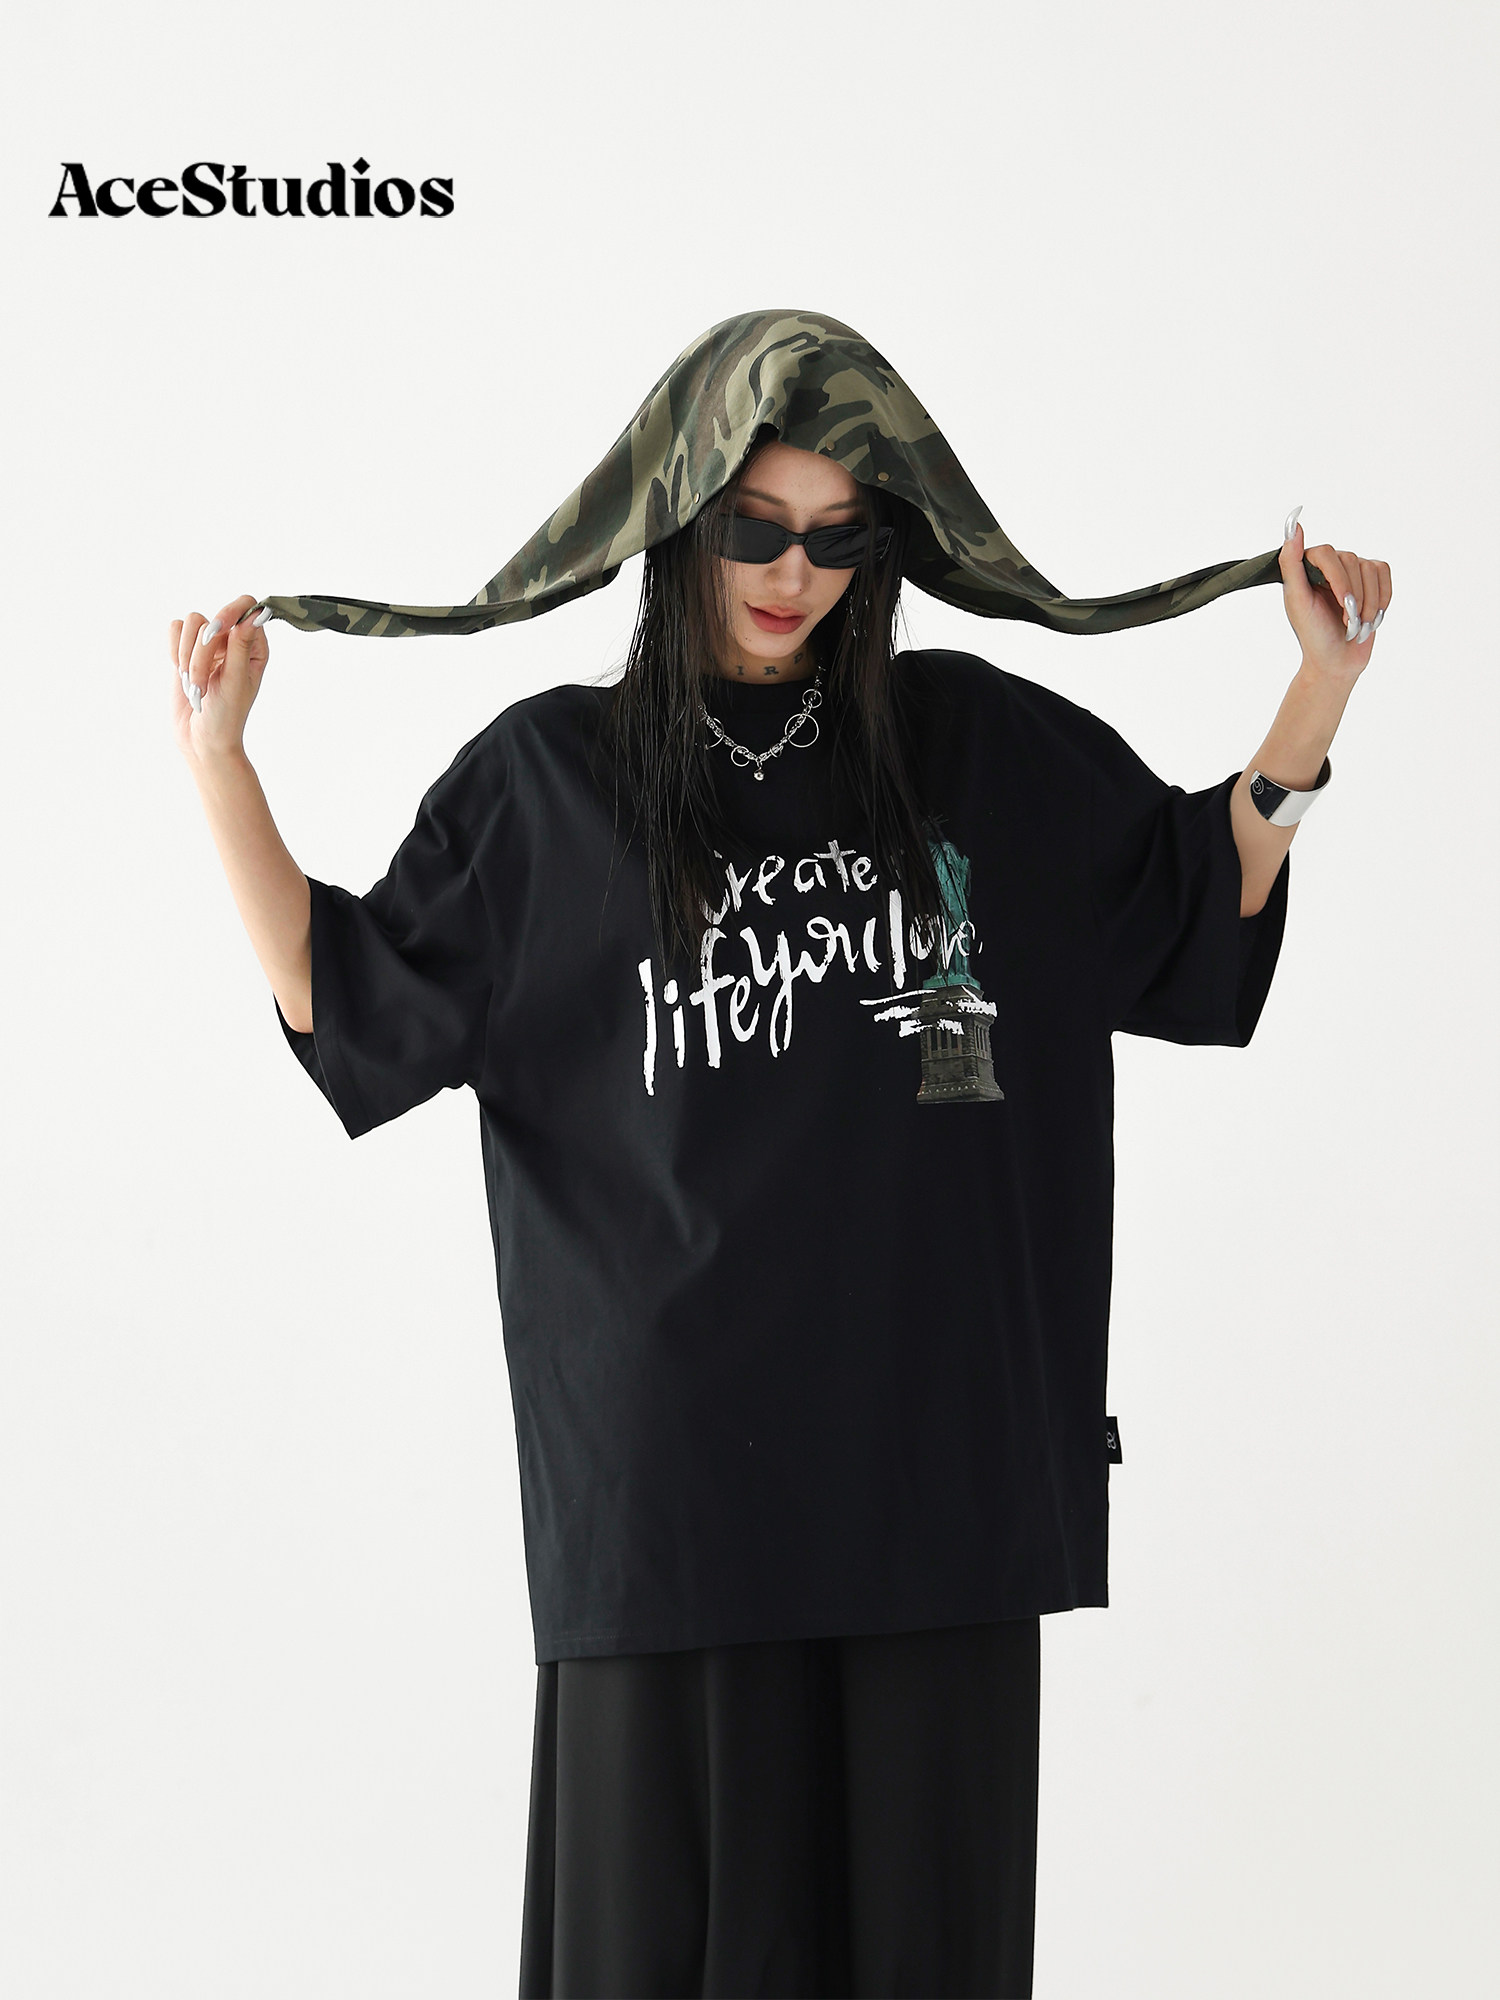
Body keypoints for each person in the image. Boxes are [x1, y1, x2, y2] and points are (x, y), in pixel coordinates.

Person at [170, 315, 1390, 1999]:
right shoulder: (550, 786)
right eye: (754, 527)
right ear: (677, 515)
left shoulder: (971, 751)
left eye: (836, 536)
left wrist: (1321, 691)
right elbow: (348, 996)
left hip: (937, 1488)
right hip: (671, 1517)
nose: (793, 573)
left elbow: (1190, 897)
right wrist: (218, 760)